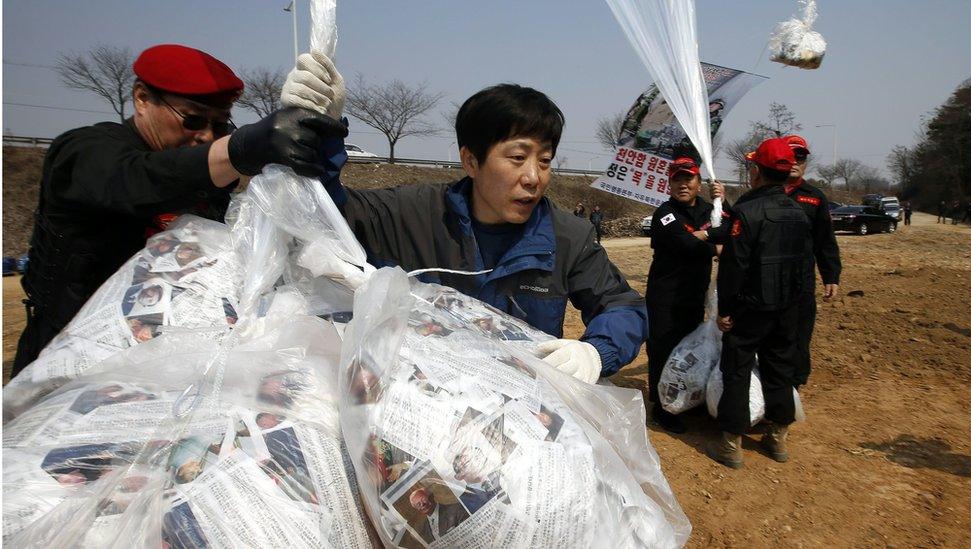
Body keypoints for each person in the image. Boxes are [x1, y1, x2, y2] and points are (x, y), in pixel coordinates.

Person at [281, 53, 647, 384]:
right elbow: (324, 214)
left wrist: (597, 351)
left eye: (545, 161)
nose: (534, 177)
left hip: (521, 406)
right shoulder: (412, 213)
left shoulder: (569, 236)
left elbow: (622, 305)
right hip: (420, 398)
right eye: (518, 158)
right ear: (471, 161)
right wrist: (320, 131)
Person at [12, 44, 348, 377]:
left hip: (162, 363)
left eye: (220, 125)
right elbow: (142, 177)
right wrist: (237, 149)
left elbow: (286, 205)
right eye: (193, 120)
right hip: (66, 359)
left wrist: (317, 132)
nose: (205, 136)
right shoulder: (85, 152)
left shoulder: (209, 178)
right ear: (142, 99)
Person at [708, 138, 812, 469]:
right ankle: (778, 436)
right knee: (779, 370)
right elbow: (803, 266)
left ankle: (731, 443)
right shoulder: (798, 212)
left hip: (750, 310)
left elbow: (733, 267)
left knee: (736, 371)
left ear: (756, 172)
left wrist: (726, 311)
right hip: (787, 308)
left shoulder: (748, 212)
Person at [644, 156, 727, 433]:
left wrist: (722, 202)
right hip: (665, 296)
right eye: (677, 178)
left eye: (688, 178)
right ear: (669, 183)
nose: (683, 184)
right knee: (663, 348)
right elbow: (683, 244)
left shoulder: (708, 209)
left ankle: (685, 397)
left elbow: (731, 227)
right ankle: (661, 405)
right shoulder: (665, 213)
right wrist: (712, 244)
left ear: (698, 182)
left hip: (695, 294)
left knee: (690, 350)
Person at [782, 135, 841, 388]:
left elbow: (825, 241)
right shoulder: (763, 193)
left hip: (800, 280)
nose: (796, 162)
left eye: (801, 157)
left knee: (799, 334)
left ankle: (793, 386)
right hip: (764, 280)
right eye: (791, 156)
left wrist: (831, 276)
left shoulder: (814, 197)